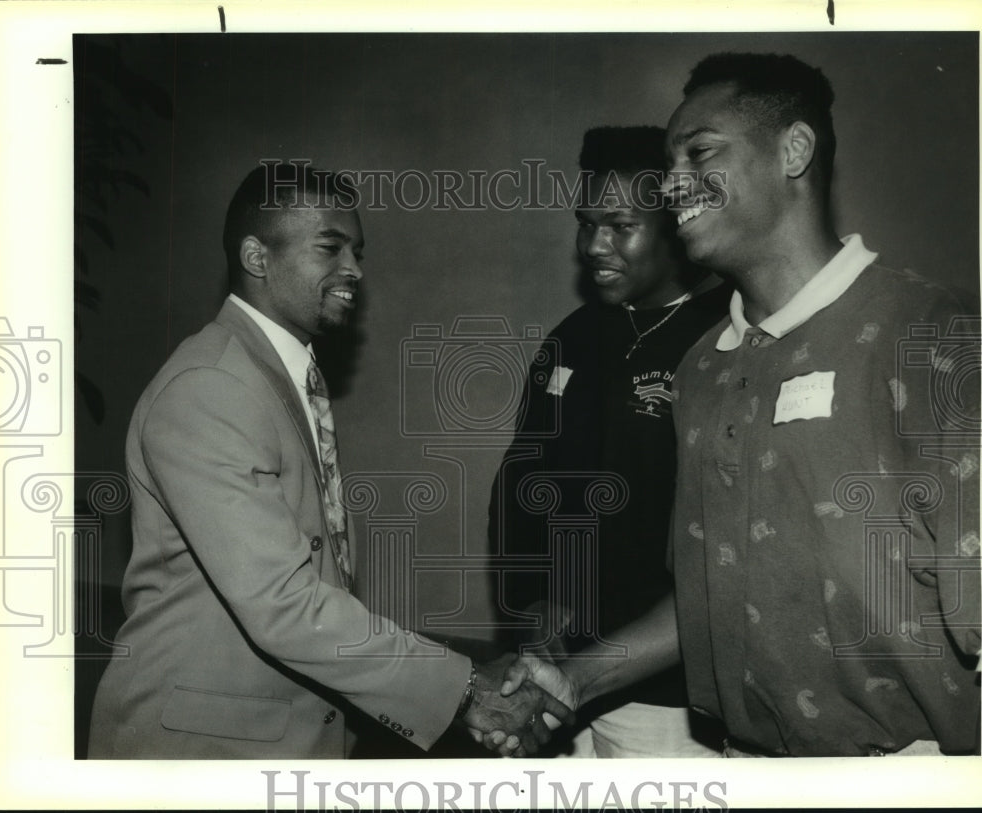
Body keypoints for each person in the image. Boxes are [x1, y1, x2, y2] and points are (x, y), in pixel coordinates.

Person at [498, 52, 980, 758]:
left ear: (794, 150)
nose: (672, 183)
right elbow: (707, 598)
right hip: (741, 762)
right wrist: (575, 678)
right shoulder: (704, 370)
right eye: (669, 163)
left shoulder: (934, 334)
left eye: (700, 153)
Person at [87, 162, 572, 759]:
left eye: (358, 250)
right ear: (257, 257)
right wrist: (467, 688)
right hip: (201, 753)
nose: (355, 270)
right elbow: (284, 603)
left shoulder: (279, 377)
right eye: (331, 248)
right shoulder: (209, 389)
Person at [488, 126, 731, 757]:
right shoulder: (571, 337)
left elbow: (716, 540)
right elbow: (521, 484)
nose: (595, 244)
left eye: (620, 224)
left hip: (664, 700)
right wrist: (531, 604)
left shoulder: (724, 340)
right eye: (586, 222)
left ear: (674, 222)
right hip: (553, 679)